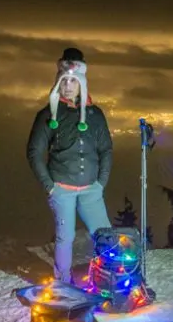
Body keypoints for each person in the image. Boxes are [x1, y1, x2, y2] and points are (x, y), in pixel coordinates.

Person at [27, 47, 114, 283]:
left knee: (104, 234)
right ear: (58, 82)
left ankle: (110, 278)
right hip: (61, 189)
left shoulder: (95, 115)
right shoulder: (49, 115)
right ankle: (63, 282)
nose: (68, 85)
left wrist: (101, 183)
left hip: (91, 190)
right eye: (64, 80)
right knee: (65, 237)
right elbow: (34, 151)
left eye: (73, 81)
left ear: (82, 83)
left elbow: (106, 148)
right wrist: (49, 185)